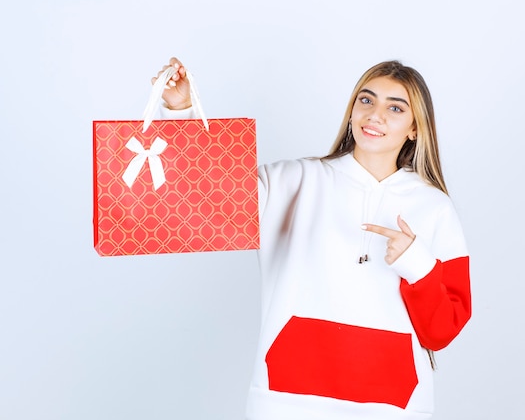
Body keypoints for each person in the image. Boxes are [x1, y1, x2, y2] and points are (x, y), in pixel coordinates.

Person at [153, 57, 471, 420]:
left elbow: (441, 332)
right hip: (287, 400)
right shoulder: (292, 181)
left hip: (392, 407)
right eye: (366, 100)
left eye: (395, 108)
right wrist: (181, 112)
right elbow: (206, 199)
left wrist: (418, 264)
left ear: (415, 128)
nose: (375, 114)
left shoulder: (434, 207)